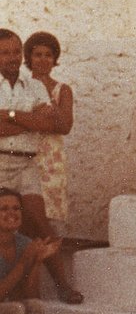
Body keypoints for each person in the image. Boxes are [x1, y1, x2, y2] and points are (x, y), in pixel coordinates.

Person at [0, 29, 81, 304]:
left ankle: (62, 285)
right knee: (5, 225)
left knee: (39, 220)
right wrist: (28, 119)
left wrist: (10, 115)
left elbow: (49, 125)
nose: (12, 57)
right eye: (5, 52)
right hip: (0, 161)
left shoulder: (33, 85)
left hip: (27, 163)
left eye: (15, 51)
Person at [0, 186, 56, 314]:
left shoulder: (24, 243)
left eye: (16, 208)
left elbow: (30, 293)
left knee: (34, 306)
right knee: (13, 310)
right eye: (4, 209)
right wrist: (25, 261)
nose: (11, 213)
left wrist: (37, 262)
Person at [23, 32, 73, 235]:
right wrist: (41, 119)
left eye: (48, 55)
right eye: (37, 55)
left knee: (51, 215)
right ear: (29, 58)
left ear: (54, 59)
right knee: (25, 213)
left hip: (51, 160)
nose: (43, 60)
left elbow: (65, 126)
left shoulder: (62, 90)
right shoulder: (21, 87)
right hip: (26, 156)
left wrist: (46, 113)